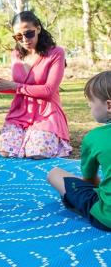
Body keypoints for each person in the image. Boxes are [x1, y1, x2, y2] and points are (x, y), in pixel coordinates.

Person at [0, 11, 72, 159]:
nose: (24, 39)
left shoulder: (56, 53)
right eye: (18, 36)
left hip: (46, 112)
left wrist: (14, 86)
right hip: (20, 111)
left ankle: (46, 139)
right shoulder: (16, 54)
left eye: (28, 33)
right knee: (5, 152)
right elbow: (16, 87)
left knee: (37, 153)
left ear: (38, 28)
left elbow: (48, 90)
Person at [47, 71, 111, 231]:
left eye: (91, 101)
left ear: (109, 105)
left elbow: (89, 179)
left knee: (54, 174)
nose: (89, 105)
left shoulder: (94, 137)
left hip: (106, 216)